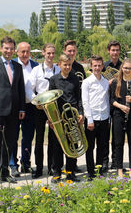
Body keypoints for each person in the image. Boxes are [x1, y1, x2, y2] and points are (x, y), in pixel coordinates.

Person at [0, 36, 25, 188]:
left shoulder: (18, 66)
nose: (8, 51)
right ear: (1, 49)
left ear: (14, 50)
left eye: (11, 48)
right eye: (6, 48)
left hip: (14, 112)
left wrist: (22, 108)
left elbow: (20, 90)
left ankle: (5, 173)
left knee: (9, 143)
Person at [48, 54, 84, 183]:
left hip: (72, 116)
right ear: (59, 65)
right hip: (58, 116)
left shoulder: (75, 79)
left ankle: (70, 172)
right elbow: (50, 100)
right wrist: (51, 119)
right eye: (65, 65)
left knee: (73, 144)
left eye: (69, 65)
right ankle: (57, 172)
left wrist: (80, 113)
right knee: (57, 146)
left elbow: (79, 98)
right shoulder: (53, 80)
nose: (68, 67)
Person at [30, 43, 60, 178]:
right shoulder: (36, 70)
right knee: (39, 139)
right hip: (39, 108)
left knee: (53, 139)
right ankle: (39, 168)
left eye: (53, 53)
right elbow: (29, 89)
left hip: (53, 108)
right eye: (48, 53)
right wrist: (36, 101)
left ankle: (52, 167)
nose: (51, 56)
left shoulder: (58, 69)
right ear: (43, 53)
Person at [9, 42, 38, 177]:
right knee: (13, 136)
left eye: (27, 51)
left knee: (28, 137)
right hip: (15, 107)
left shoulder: (35, 66)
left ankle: (26, 164)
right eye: (22, 52)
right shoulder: (12, 65)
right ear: (17, 52)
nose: (25, 54)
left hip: (31, 106)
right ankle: (13, 165)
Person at [110, 59, 131, 178]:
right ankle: (119, 170)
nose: (127, 70)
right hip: (118, 116)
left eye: (129, 68)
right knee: (118, 143)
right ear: (122, 68)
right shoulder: (115, 82)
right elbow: (111, 100)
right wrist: (121, 106)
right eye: (125, 68)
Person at [82, 55, 110, 180]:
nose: (97, 68)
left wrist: (108, 117)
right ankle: (90, 172)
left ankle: (98, 170)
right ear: (91, 67)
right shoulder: (87, 82)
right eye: (95, 66)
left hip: (104, 118)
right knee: (90, 147)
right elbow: (85, 102)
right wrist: (90, 120)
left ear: (102, 66)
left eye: (99, 65)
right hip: (91, 119)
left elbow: (107, 100)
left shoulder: (106, 82)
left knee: (102, 146)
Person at [63, 40, 86, 173]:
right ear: (65, 51)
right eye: (69, 51)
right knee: (62, 138)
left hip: (75, 106)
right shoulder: (61, 66)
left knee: (75, 136)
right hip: (63, 108)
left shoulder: (80, 68)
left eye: (74, 51)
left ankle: (73, 164)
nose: (71, 53)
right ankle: (59, 165)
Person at [104, 40, 122, 171]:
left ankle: (116, 162)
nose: (115, 53)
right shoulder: (103, 66)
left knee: (117, 136)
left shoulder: (123, 66)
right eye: (113, 50)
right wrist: (107, 83)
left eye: (117, 50)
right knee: (105, 136)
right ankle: (104, 162)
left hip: (118, 104)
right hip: (105, 104)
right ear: (108, 51)